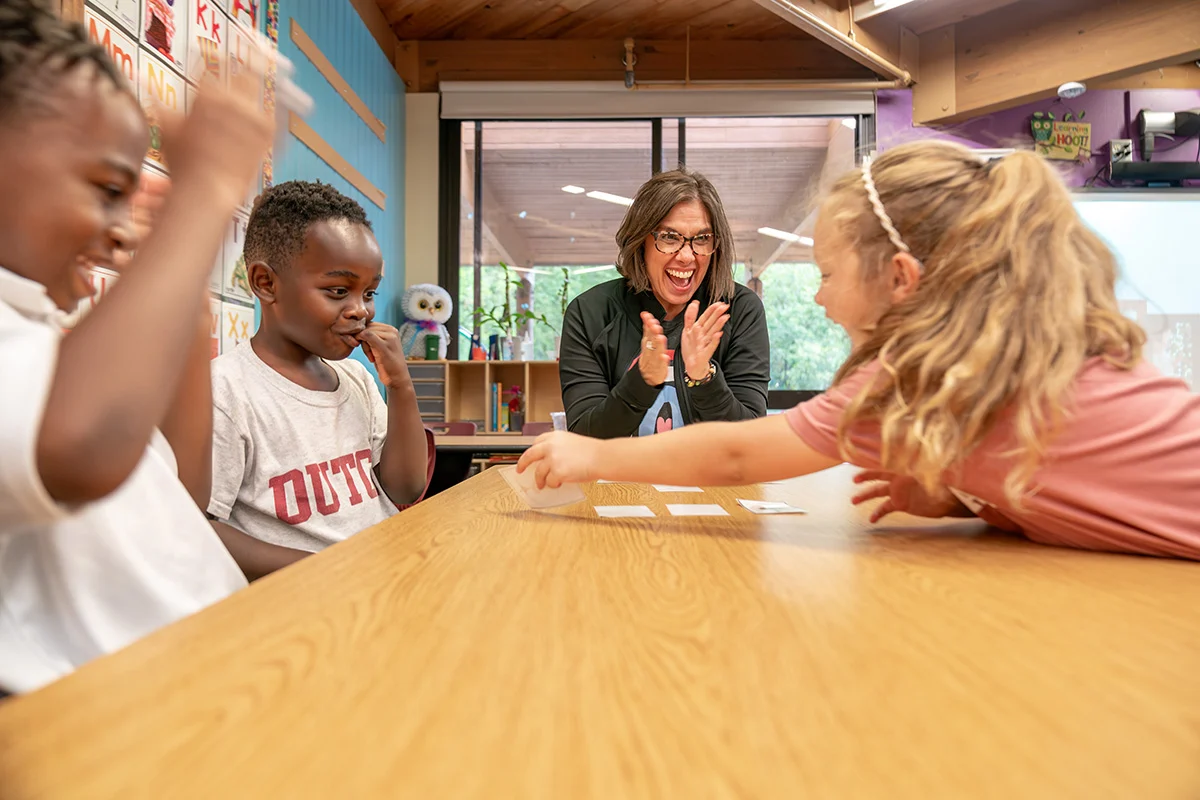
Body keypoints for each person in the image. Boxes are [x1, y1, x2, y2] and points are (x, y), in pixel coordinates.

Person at [519, 141, 1200, 561]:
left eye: (825, 275)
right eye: (669, 238)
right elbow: (1071, 480)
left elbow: (738, 450)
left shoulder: (914, 375)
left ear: (899, 280)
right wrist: (967, 501)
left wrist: (597, 454)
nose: (816, 300)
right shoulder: (1011, 352)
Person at [0, 0, 274, 692]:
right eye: (106, 189)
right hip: (133, 724)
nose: (122, 233)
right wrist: (205, 191)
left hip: (229, 672)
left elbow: (182, 491)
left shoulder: (44, 344)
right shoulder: (50, 379)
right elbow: (80, 445)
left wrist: (183, 312)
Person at [207, 181, 434, 580]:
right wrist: (335, 570)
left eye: (369, 293)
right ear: (265, 283)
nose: (359, 311)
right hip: (304, 608)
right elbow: (200, 530)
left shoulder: (355, 378)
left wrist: (401, 387)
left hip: (380, 582)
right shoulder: (225, 393)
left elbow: (404, 489)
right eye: (338, 291)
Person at [558, 167, 770, 439]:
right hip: (619, 481)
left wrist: (703, 377)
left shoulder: (739, 310)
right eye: (669, 238)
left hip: (714, 481)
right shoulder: (590, 313)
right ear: (640, 241)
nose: (686, 256)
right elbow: (584, 438)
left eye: (702, 239)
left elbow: (751, 439)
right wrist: (641, 380)